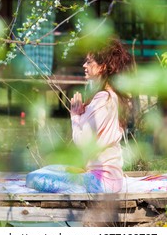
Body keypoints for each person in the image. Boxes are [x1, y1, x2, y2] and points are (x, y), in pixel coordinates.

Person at [26, 37, 133, 193]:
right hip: (106, 177)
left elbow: (83, 142)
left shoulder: (104, 99)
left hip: (100, 181)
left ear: (103, 67)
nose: (84, 65)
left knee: (34, 178)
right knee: (49, 169)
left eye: (89, 62)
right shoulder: (110, 96)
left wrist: (75, 116)